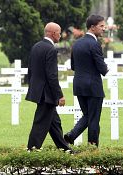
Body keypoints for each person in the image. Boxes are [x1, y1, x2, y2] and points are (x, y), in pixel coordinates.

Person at [26, 22, 72, 153]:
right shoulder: (51, 50)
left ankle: (64, 148)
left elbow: (31, 70)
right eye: (59, 32)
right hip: (46, 93)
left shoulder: (36, 46)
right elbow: (52, 76)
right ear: (52, 33)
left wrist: (33, 88)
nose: (60, 35)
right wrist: (59, 95)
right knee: (41, 122)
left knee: (54, 122)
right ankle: (32, 149)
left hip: (39, 91)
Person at [64, 15, 109, 147]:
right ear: (92, 27)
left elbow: (73, 66)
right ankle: (91, 148)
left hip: (79, 85)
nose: (104, 29)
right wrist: (106, 69)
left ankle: (71, 136)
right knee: (93, 118)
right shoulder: (95, 44)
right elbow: (102, 68)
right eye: (101, 26)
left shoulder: (76, 44)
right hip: (93, 86)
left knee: (88, 115)